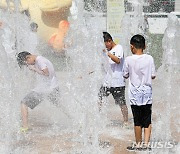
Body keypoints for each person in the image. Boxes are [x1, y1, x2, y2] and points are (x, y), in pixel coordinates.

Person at [123, 34, 156, 151]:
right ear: (145, 46)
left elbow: (125, 75)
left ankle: (138, 144)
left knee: (137, 121)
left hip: (134, 95)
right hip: (147, 93)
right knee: (147, 119)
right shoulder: (150, 58)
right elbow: (153, 75)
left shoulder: (128, 60)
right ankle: (146, 145)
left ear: (132, 47)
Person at [17, 51, 59, 132]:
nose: (28, 65)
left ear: (28, 57)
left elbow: (46, 73)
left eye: (26, 63)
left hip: (46, 89)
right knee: (59, 105)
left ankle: (25, 127)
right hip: (53, 87)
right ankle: (75, 119)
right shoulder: (40, 60)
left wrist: (35, 69)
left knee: (23, 102)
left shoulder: (40, 61)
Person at [99, 32, 128, 125]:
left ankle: (126, 121)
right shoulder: (106, 51)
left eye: (106, 44)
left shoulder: (119, 48)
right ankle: (96, 118)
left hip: (118, 81)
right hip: (107, 82)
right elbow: (102, 66)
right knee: (99, 98)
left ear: (109, 41)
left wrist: (107, 53)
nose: (106, 47)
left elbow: (118, 60)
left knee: (121, 103)